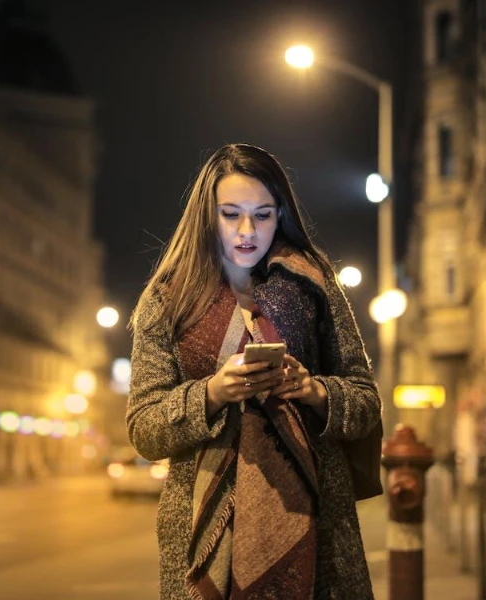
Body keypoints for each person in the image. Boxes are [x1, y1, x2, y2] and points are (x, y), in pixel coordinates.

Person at [127, 143, 383, 600]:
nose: (247, 231)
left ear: (280, 215)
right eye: (231, 214)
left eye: (262, 215)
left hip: (317, 525)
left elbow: (364, 400)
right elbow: (145, 429)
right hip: (204, 535)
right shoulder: (168, 299)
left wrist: (314, 390)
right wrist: (212, 393)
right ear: (208, 216)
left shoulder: (312, 284)